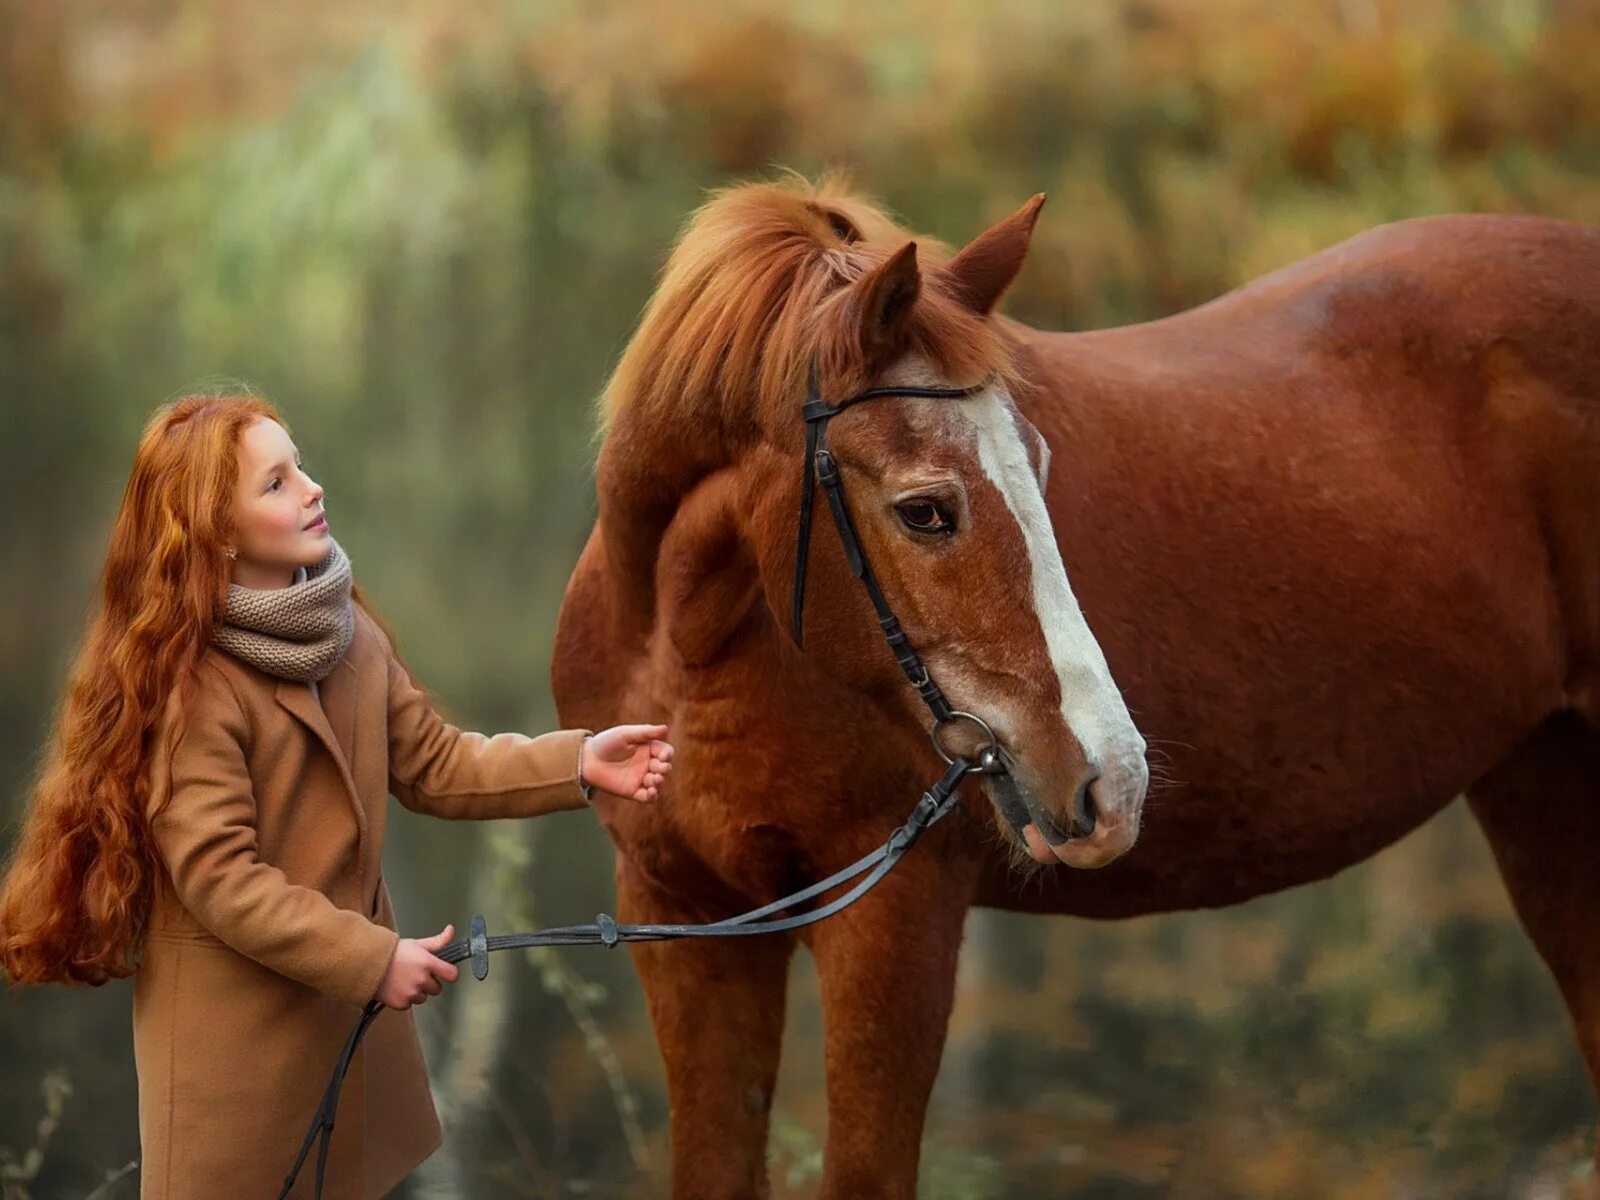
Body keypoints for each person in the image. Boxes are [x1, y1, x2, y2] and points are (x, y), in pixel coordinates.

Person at [0, 392, 673, 1198]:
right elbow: (223, 879)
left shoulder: (344, 633)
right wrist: (373, 957)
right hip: (238, 1056)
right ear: (215, 535)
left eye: (301, 467)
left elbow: (436, 762)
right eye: (276, 483)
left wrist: (580, 762)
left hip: (342, 1032)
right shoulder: (191, 692)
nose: (312, 489)